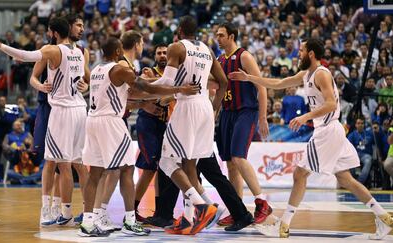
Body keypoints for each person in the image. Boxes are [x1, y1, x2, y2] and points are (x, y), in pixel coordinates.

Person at [228, 38, 393, 239]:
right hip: (331, 130)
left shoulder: (321, 74)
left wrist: (305, 116)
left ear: (311, 54)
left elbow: (331, 104)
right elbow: (279, 83)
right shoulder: (306, 74)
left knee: (299, 175)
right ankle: (383, 217)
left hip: (327, 130)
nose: (298, 54)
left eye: (302, 50)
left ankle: (283, 225)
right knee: (346, 179)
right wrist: (249, 78)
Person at [79, 36, 199, 237]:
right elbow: (147, 88)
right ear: (118, 52)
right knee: (127, 169)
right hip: (111, 124)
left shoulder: (98, 71)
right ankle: (130, 220)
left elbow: (126, 96)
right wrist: (180, 89)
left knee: (95, 173)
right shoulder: (120, 69)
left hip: (92, 121)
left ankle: (88, 222)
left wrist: (140, 103)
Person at [0, 17, 88, 226]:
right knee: (77, 163)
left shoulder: (53, 50)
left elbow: (26, 55)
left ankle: (66, 213)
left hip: (63, 111)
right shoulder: (78, 52)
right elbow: (80, 79)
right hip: (80, 109)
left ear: (53, 32)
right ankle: (86, 212)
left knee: (63, 164)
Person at [152, 15, 228, 235]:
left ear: (179, 30)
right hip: (205, 106)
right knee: (189, 165)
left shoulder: (177, 47)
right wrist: (214, 109)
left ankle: (202, 207)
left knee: (167, 161)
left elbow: (167, 82)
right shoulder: (207, 50)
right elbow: (223, 82)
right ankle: (187, 220)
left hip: (187, 106)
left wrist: (144, 86)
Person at [28, 14, 91, 226]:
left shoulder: (82, 52)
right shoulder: (49, 50)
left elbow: (88, 80)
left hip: (71, 108)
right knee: (51, 160)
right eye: (78, 25)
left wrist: (86, 87)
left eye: (83, 25)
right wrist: (41, 86)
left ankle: (81, 208)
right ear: (67, 27)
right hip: (49, 107)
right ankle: (48, 208)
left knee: (75, 163)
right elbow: (33, 78)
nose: (81, 29)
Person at [215, 22, 271, 226]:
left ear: (231, 36)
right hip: (228, 112)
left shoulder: (244, 56)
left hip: (246, 111)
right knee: (230, 164)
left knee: (238, 157)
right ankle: (238, 210)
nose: (217, 38)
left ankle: (262, 202)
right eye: (217, 35)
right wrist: (215, 110)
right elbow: (219, 89)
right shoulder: (220, 59)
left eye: (221, 35)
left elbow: (262, 87)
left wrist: (263, 117)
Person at [134, 43, 171, 222]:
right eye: (159, 53)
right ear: (155, 56)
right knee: (150, 168)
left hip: (165, 124)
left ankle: (159, 211)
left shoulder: (173, 74)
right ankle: (132, 208)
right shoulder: (148, 73)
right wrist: (148, 102)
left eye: (165, 53)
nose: (162, 55)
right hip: (147, 123)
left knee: (161, 168)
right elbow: (137, 93)